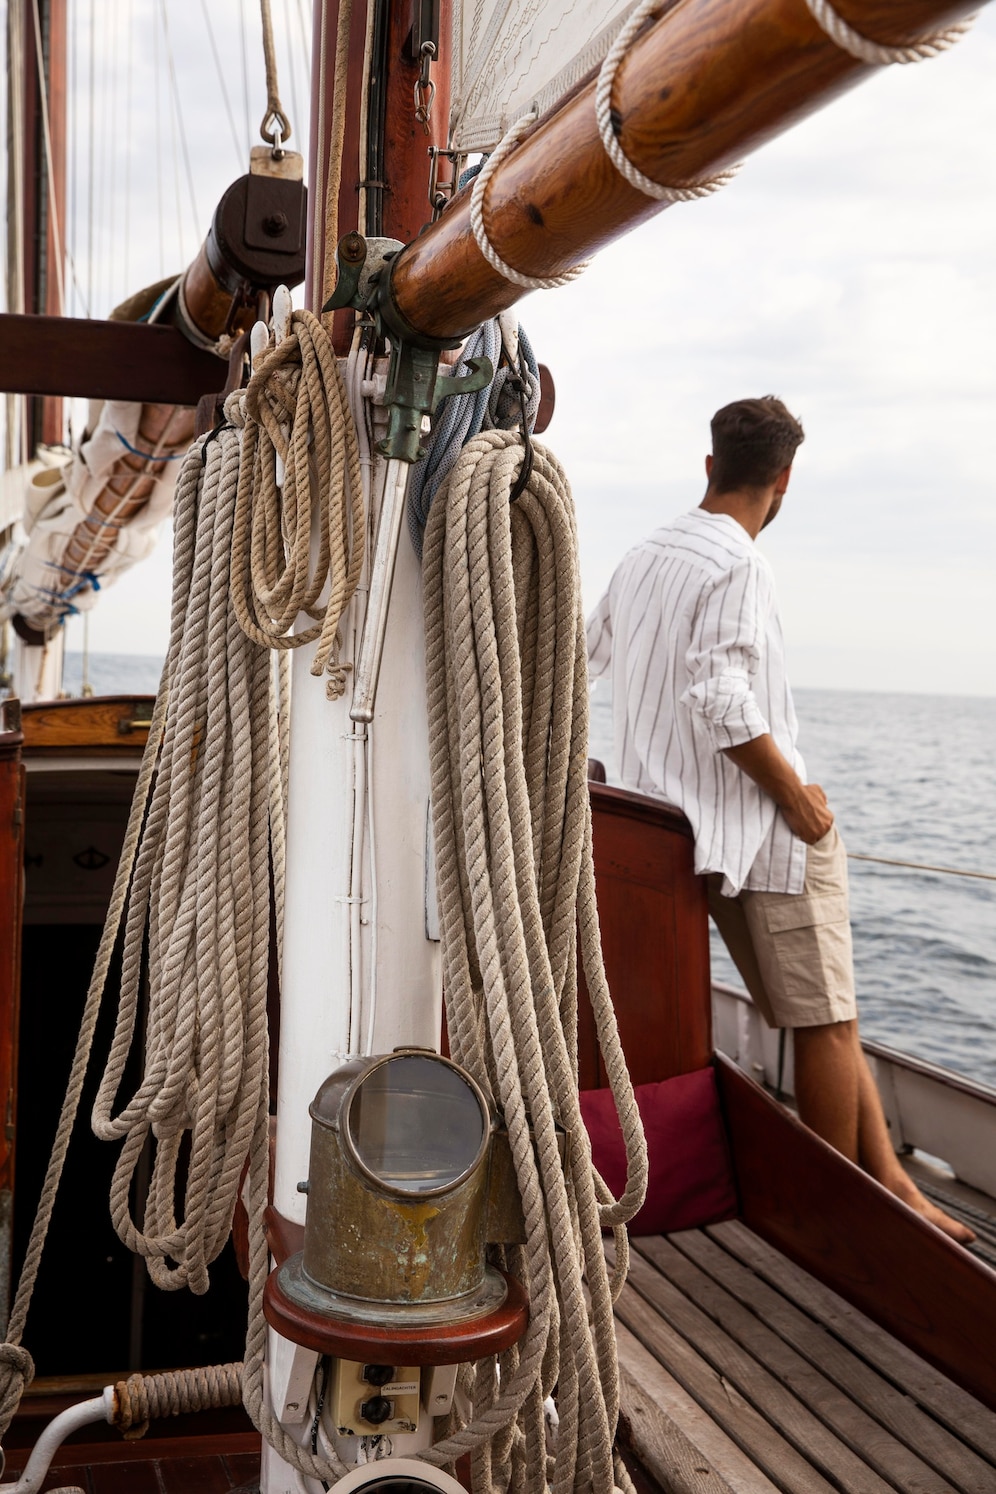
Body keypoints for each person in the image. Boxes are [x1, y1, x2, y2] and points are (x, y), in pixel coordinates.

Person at [586, 396, 973, 1244]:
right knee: (826, 1023)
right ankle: (833, 1227)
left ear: (709, 465)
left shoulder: (645, 553)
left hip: (664, 836)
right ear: (784, 482)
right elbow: (718, 696)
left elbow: (589, 657)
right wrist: (798, 802)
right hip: (758, 832)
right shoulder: (739, 563)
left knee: (835, 1015)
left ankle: (896, 1187)